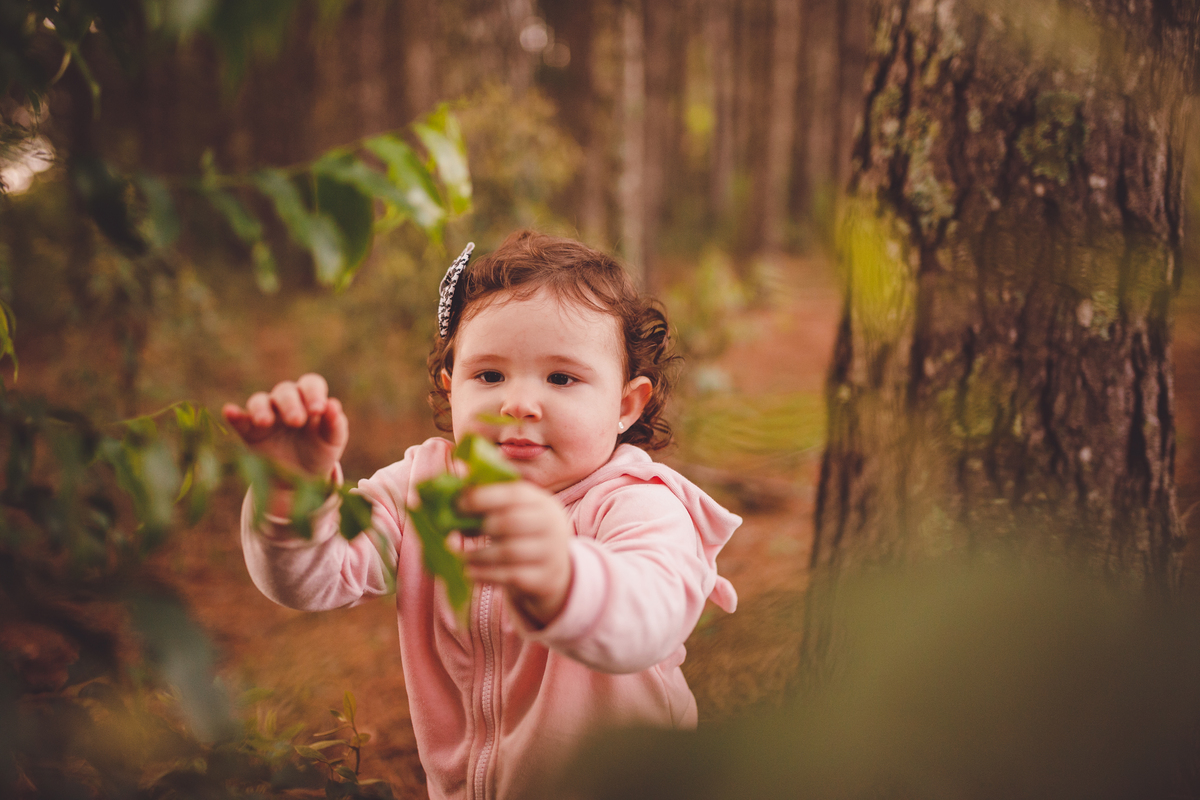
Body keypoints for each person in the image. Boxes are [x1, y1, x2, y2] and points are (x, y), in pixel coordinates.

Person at [223, 230, 741, 800]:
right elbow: (315, 577)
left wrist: (565, 577)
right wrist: (290, 492)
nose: (517, 402)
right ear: (452, 391)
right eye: (489, 375)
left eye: (561, 378)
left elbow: (651, 615)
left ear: (624, 405)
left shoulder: (638, 503)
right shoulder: (425, 490)